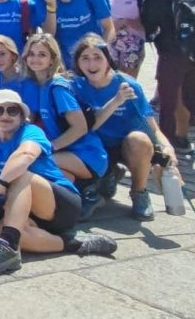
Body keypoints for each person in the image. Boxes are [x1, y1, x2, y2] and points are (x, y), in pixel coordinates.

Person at [0, 89, 117, 274]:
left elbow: (26, 154)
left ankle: (6, 249)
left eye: (12, 110)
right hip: (19, 209)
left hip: (58, 204)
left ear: (22, 116)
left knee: (21, 175)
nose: (5, 115)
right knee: (9, 231)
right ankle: (73, 242)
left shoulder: (31, 131)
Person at [70, 35, 176, 221]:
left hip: (125, 144)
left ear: (108, 61)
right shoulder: (76, 86)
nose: (91, 63)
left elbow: (152, 126)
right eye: (85, 58)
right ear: (78, 63)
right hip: (95, 147)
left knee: (140, 140)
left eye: (97, 57)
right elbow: (87, 126)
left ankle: (139, 192)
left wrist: (167, 148)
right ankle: (103, 179)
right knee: (75, 138)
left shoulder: (127, 84)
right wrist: (116, 101)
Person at [21, 33, 107, 218]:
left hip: (86, 154)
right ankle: (76, 195)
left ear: (53, 58)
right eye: (32, 53)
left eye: (42, 54)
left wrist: (50, 148)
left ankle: (87, 194)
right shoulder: (41, 84)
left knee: (35, 162)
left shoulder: (57, 87)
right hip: (69, 153)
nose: (35, 59)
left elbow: (80, 127)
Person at [140, 0, 195, 152]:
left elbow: (149, 27)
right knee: (190, 94)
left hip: (171, 51)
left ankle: (169, 139)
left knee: (169, 97)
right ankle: (184, 135)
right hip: (192, 48)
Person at [105, 0, 150, 78]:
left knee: (128, 79)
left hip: (133, 42)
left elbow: (148, 24)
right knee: (110, 77)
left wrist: (125, 22)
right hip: (111, 40)